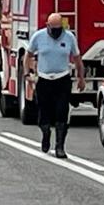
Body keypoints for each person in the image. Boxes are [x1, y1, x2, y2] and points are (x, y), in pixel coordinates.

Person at [25, 13, 83, 158]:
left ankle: (60, 146)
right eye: (54, 28)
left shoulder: (69, 37)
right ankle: (45, 134)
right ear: (48, 25)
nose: (57, 32)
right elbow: (28, 55)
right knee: (44, 112)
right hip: (44, 79)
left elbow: (77, 58)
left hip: (62, 78)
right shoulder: (38, 37)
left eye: (59, 28)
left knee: (61, 111)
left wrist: (81, 77)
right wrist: (27, 74)